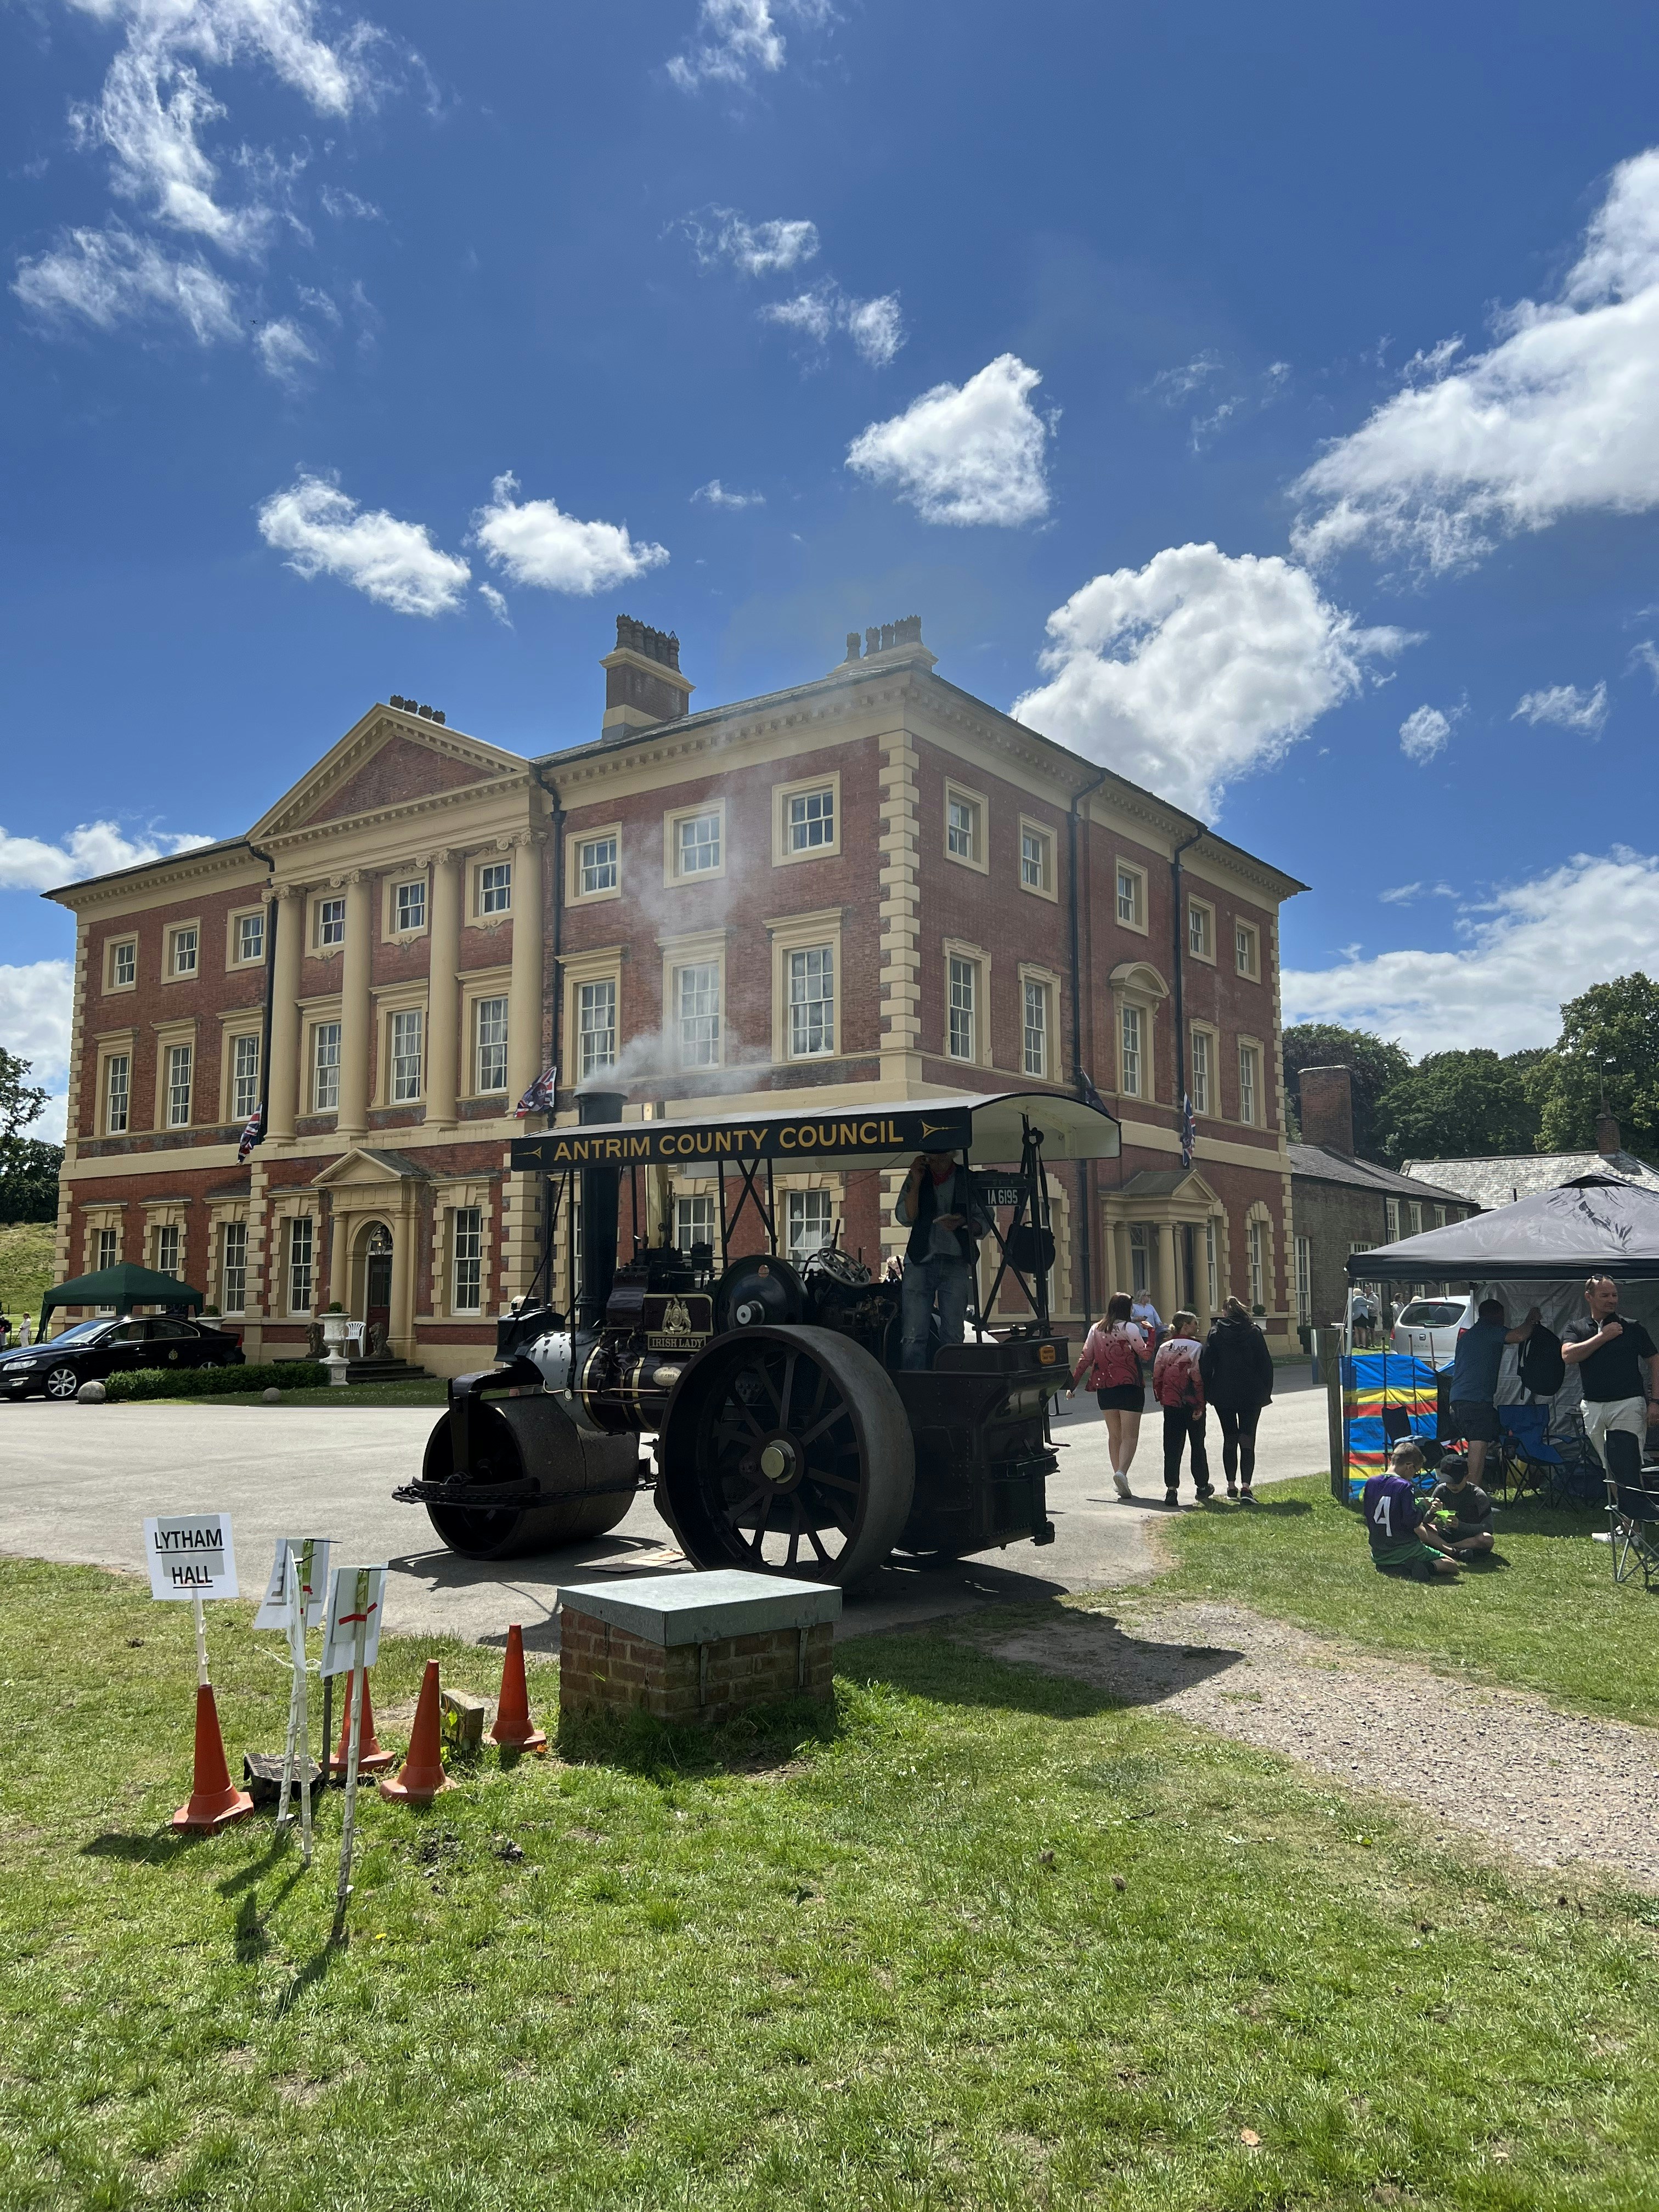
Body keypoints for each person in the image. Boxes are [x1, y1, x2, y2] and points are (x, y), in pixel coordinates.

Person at [893, 1149, 990, 1372]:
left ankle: (951, 1387)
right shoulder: (917, 1176)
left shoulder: (967, 1178)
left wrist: (962, 1223)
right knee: (913, 1336)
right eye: (932, 1160)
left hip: (956, 1261)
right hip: (919, 1261)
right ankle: (915, 1390)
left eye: (943, 1159)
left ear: (953, 1156)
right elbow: (905, 1217)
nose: (937, 1165)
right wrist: (916, 1181)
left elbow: (984, 1220)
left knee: (954, 1335)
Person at [1562, 1274, 1659, 1478]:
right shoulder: (1577, 1327)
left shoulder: (1632, 1327)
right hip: (1593, 1405)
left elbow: (1655, 1361)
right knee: (1608, 1465)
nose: (1612, 1300)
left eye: (1614, 1295)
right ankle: (1620, 1509)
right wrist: (1603, 1337)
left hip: (1629, 1403)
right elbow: (1568, 1356)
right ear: (1589, 1297)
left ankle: (1632, 1509)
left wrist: (1655, 1401)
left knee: (1629, 1464)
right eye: (1605, 1295)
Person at [1449, 1297, 1539, 1486]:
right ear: (1498, 1315)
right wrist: (1531, 1319)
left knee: (1488, 1437)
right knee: (1478, 1444)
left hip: (1460, 1399)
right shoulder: (1489, 1331)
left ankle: (1482, 1484)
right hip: (1475, 1401)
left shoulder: (1470, 1335)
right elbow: (1519, 1336)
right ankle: (1473, 1494)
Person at [1068, 1292, 1149, 1499]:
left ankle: (1118, 1476)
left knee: (1114, 1434)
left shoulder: (1096, 1329)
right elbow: (1145, 1353)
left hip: (1104, 1386)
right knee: (1130, 1436)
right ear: (1127, 1309)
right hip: (1130, 1385)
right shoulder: (1130, 1328)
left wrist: (1072, 1385)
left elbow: (1085, 1358)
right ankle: (1122, 1473)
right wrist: (1153, 1333)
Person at [1199, 1295, 1275, 1501]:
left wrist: (1206, 1391)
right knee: (1248, 1437)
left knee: (1229, 1437)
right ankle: (1246, 1487)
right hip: (1251, 1392)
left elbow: (1206, 1363)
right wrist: (1265, 1390)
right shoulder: (1253, 1331)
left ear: (1224, 1313)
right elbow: (1265, 1363)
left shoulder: (1215, 1332)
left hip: (1223, 1392)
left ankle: (1231, 1486)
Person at [1362, 1440, 1460, 1578]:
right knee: (1450, 1564)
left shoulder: (1371, 1482)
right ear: (1409, 1466)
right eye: (1416, 1471)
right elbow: (1412, 1521)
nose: (1414, 1475)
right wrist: (1423, 1506)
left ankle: (1393, 1566)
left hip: (1379, 1552)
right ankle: (1414, 1568)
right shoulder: (1404, 1486)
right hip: (1404, 1547)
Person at [1153, 1310, 1212, 1506]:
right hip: (1192, 1402)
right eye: (1195, 1323)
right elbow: (1199, 1378)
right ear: (1185, 1326)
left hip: (1171, 1404)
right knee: (1197, 1444)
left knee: (1171, 1446)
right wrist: (1201, 1404)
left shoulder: (1164, 1347)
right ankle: (1202, 1485)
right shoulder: (1197, 1348)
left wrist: (1161, 1397)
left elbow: (1157, 1376)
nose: (1197, 1327)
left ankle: (1171, 1489)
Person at [1423, 1449, 1496, 1560]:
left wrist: (1460, 1525)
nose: (1453, 1486)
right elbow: (1424, 1520)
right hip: (1448, 1533)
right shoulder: (1441, 1490)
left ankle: (1447, 1549)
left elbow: (1489, 1527)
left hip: (1471, 1538)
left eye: (1457, 1481)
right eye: (1449, 1481)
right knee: (1419, 1528)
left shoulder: (1478, 1495)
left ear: (1467, 1476)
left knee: (1487, 1539)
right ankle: (1457, 1551)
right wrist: (1432, 1512)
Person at [1130, 1291, 1162, 1356]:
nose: (1149, 1298)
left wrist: (1159, 1323)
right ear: (1143, 1297)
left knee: (1150, 1353)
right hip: (1139, 1333)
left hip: (1150, 1334)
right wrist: (1136, 1319)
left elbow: (1156, 1317)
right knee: (1140, 1352)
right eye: (1148, 1296)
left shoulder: (1150, 1307)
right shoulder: (1134, 1307)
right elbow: (1129, 1318)